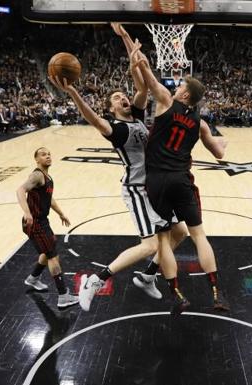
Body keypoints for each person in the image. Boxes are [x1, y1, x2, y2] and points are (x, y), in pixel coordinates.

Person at [48, 24, 188, 312]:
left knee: (180, 233)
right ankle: (96, 281)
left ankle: (149, 275)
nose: (123, 97)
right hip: (138, 190)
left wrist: (125, 38)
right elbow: (92, 118)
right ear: (111, 109)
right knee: (150, 245)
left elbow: (140, 84)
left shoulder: (136, 116)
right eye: (115, 98)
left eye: (122, 95)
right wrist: (73, 92)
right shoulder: (115, 128)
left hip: (156, 187)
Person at [132, 38, 230, 314]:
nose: (177, 87)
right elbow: (219, 154)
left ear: (185, 95)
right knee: (199, 235)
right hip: (182, 179)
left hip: (157, 182)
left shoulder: (165, 101)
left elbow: (147, 75)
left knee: (163, 240)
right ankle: (216, 292)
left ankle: (176, 294)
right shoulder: (200, 123)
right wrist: (224, 145)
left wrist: (134, 50)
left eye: (181, 86)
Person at [16, 147, 80, 309]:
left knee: (49, 250)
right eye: (43, 154)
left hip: (42, 221)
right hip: (35, 222)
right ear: (37, 160)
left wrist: (61, 213)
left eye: (49, 154)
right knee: (53, 256)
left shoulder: (47, 177)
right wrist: (27, 212)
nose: (48, 156)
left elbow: (49, 199)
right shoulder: (37, 175)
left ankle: (33, 278)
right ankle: (63, 295)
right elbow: (20, 190)